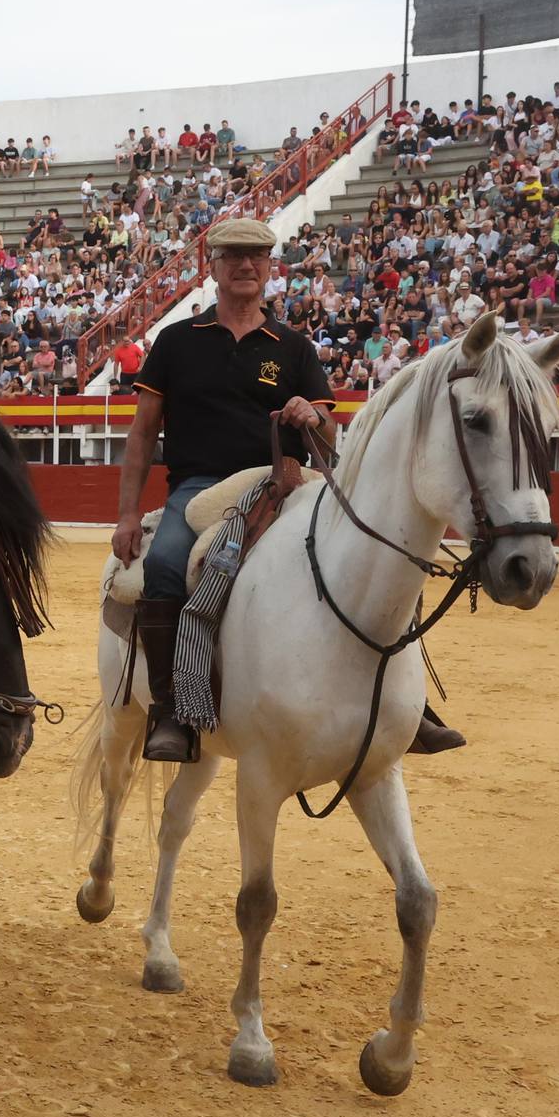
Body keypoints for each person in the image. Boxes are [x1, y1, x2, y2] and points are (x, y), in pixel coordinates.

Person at [108, 213, 336, 763]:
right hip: (202, 489)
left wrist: (312, 415)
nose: (245, 266)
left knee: (367, 550)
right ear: (212, 268)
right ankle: (170, 710)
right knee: (164, 565)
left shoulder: (294, 347)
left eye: (255, 257)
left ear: (269, 268)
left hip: (285, 483)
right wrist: (127, 514)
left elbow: (330, 440)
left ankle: (401, 697)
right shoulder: (176, 341)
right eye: (232, 256)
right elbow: (142, 434)